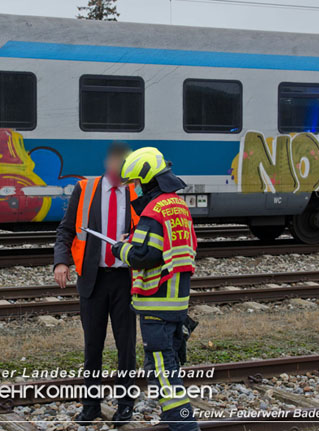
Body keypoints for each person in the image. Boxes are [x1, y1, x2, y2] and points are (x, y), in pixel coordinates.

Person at [111, 147, 200, 431]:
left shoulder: (153, 210)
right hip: (176, 303)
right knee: (169, 365)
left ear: (148, 178)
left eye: (136, 182)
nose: (135, 189)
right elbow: (171, 248)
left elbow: (144, 256)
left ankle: (185, 426)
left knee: (163, 373)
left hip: (156, 306)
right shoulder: (177, 206)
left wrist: (121, 248)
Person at [53, 142, 140, 425]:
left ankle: (125, 404)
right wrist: (61, 261)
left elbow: (150, 232)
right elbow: (66, 229)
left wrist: (136, 241)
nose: (121, 173)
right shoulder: (85, 189)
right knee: (93, 346)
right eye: (117, 166)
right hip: (93, 279)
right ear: (108, 164)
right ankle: (91, 405)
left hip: (126, 279)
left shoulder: (136, 191)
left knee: (126, 346)